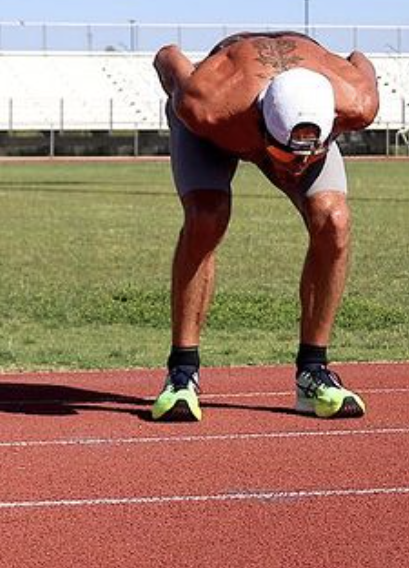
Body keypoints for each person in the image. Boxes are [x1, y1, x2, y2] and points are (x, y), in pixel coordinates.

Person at [150, 31, 379, 422]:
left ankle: (313, 373)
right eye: (285, 157)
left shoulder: (357, 102)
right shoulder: (206, 104)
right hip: (223, 119)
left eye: (308, 156)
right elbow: (166, 56)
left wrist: (300, 151)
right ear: (261, 129)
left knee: (334, 220)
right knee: (207, 215)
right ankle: (181, 376)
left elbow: (360, 57)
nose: (298, 167)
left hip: (304, 81)